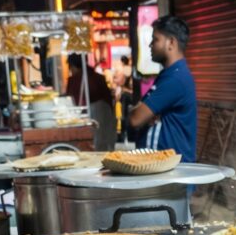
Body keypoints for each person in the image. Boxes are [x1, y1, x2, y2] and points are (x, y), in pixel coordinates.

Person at [128, 15, 197, 161]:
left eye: (155, 39)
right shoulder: (169, 75)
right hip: (162, 169)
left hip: (170, 174)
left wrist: (144, 112)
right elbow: (141, 112)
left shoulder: (175, 80)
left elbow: (135, 118)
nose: (150, 45)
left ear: (171, 42)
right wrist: (147, 112)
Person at [66, 55, 116, 151]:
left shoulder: (74, 80)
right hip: (106, 113)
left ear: (72, 66)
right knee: (104, 143)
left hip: (87, 115)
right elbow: (109, 98)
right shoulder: (99, 77)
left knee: (92, 144)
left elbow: (72, 103)